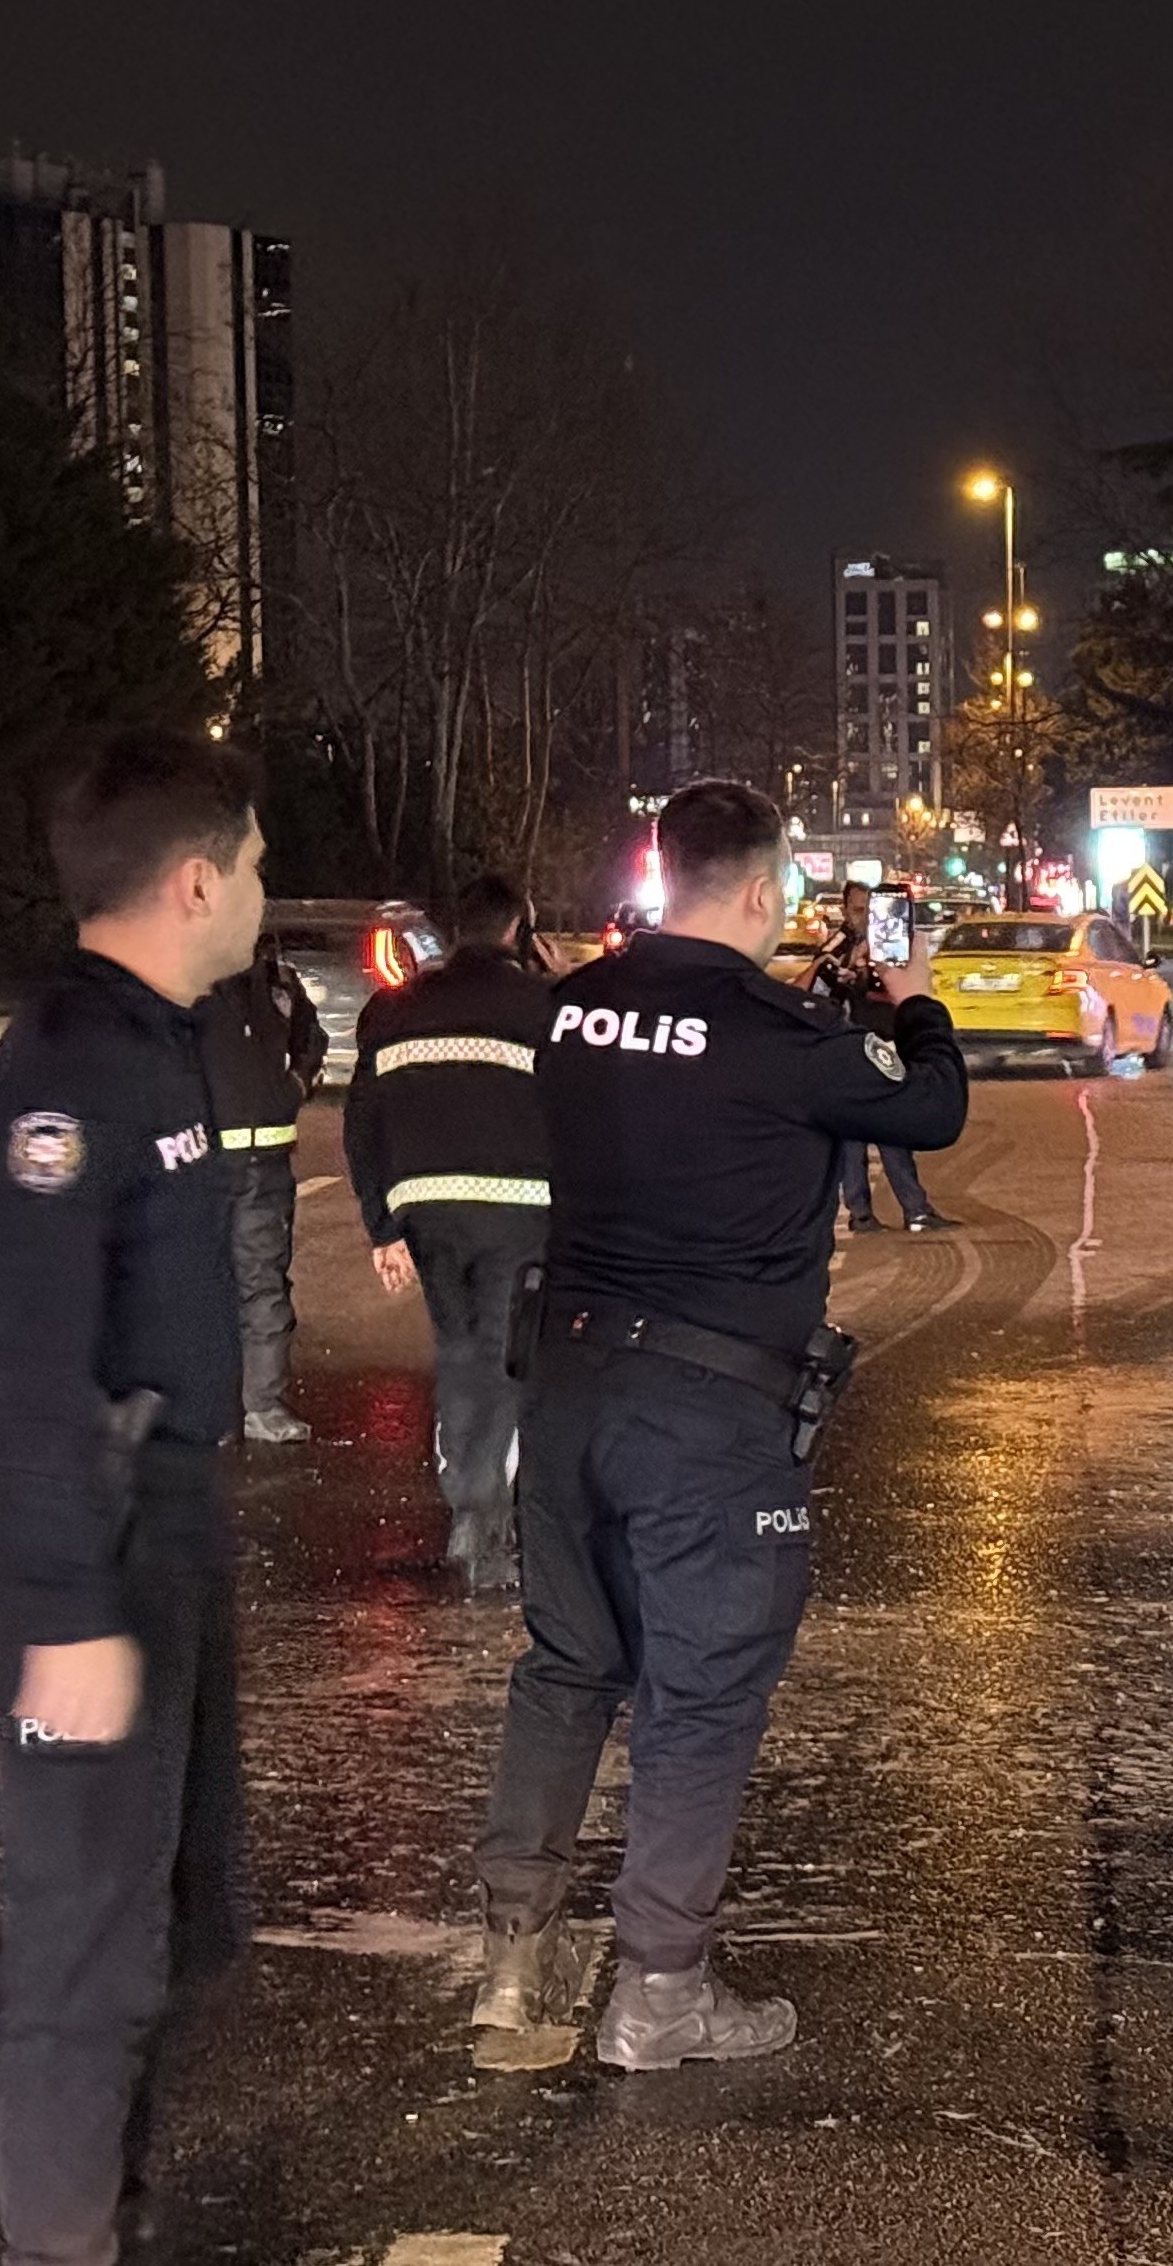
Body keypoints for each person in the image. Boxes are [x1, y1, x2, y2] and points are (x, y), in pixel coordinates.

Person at [472, 782, 968, 2069]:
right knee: (698, 1699)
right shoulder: (772, 1027)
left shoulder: (576, 1008)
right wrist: (909, 996)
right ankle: (661, 1993)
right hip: (709, 1415)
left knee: (568, 1667)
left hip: (568, 1387)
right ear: (762, 890)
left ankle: (514, 1964)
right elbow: (930, 1108)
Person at [0, 730, 267, 2265]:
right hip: (92, 1538)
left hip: (166, 1527)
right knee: (87, 1948)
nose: (266, 892)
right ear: (196, 881)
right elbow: (19, 1348)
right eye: (257, 867)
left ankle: (105, 2213)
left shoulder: (153, 1037)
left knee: (185, 1921)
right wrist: (66, 1615)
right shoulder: (68, 1063)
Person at [345, 873, 557, 1592]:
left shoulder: (395, 1010)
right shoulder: (541, 1007)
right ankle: (482, 1506)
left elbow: (362, 1123)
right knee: (503, 1355)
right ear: (517, 929)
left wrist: (382, 1226)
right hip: (521, 1210)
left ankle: (468, 1495)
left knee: (460, 1348)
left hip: (427, 1211)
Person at [199, 925, 326, 1442]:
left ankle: (260, 1406)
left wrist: (293, 1086)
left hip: (261, 1162)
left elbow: (311, 1041)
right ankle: (212, 1407)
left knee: (261, 1283)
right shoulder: (183, 983)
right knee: (206, 1285)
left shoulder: (277, 986)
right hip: (200, 1164)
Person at [820, 880, 954, 1235]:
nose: (866, 917)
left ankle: (909, 1210)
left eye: (872, 909)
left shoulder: (891, 944)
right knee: (865, 1136)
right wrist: (849, 973)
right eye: (859, 910)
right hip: (855, 1048)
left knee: (887, 1131)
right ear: (845, 911)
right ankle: (876, 1213)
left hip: (889, 1043)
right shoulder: (840, 946)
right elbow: (823, 991)